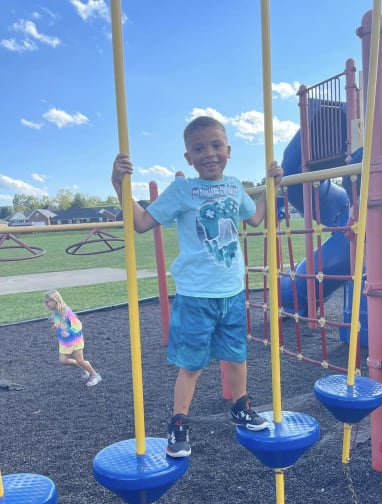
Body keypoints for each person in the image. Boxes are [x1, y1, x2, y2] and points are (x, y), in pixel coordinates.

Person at [111, 115, 283, 458]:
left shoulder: (234, 186)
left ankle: (241, 406)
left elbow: (256, 217)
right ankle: (179, 423)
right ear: (188, 156)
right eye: (199, 148)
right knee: (191, 365)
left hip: (232, 292)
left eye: (216, 145)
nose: (209, 153)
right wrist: (119, 185)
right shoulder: (182, 191)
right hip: (195, 295)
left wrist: (270, 187)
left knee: (237, 357)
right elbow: (142, 223)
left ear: (229, 150)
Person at [44, 290, 102, 386]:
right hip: (64, 342)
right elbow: (60, 323)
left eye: (47, 302)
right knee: (63, 360)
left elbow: (77, 324)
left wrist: (69, 331)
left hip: (75, 340)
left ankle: (95, 375)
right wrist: (55, 326)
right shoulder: (55, 313)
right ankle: (82, 366)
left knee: (80, 359)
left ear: (55, 300)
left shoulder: (67, 312)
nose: (46, 304)